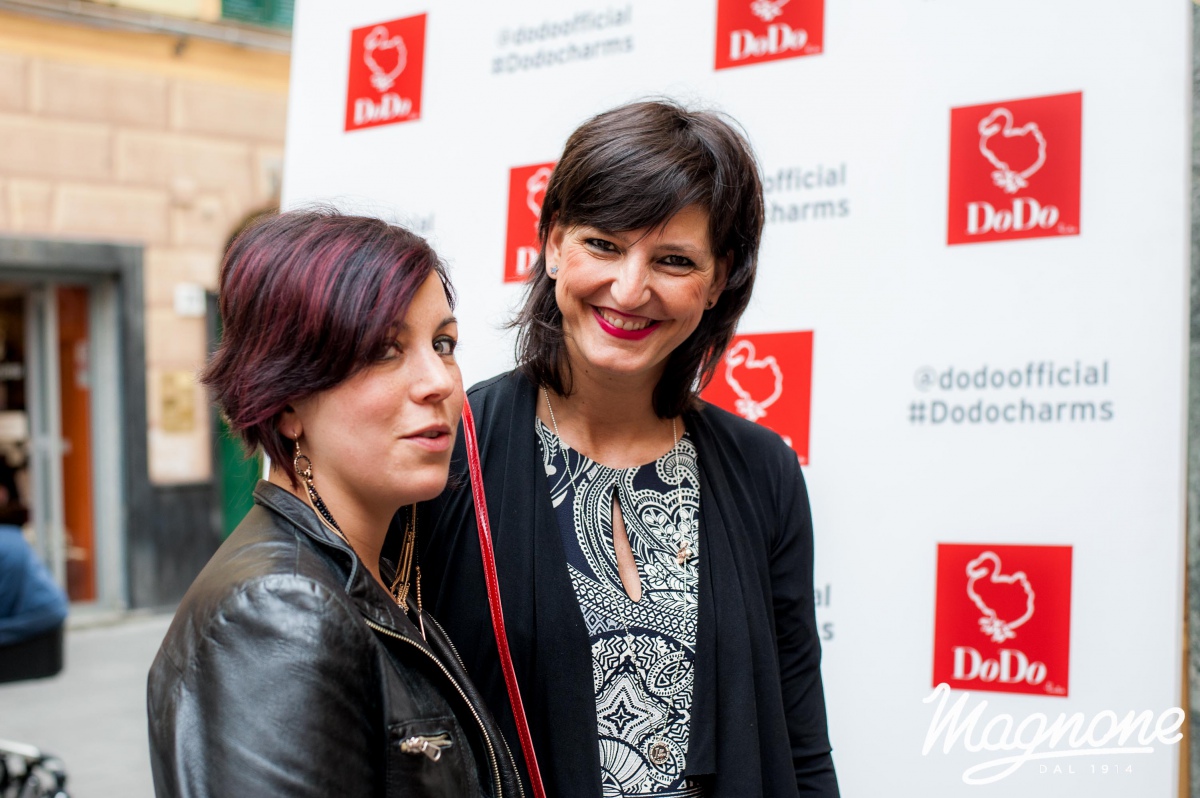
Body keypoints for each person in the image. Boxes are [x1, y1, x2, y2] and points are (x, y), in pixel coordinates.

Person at [416, 100, 839, 797]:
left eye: (674, 260)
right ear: (554, 244)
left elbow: (800, 742)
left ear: (717, 280)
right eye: (604, 245)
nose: (630, 288)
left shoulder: (763, 469)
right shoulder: (451, 449)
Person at [146, 210, 521, 797]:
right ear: (287, 401)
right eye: (385, 350)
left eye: (443, 344)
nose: (441, 382)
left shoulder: (376, 572)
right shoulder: (282, 608)